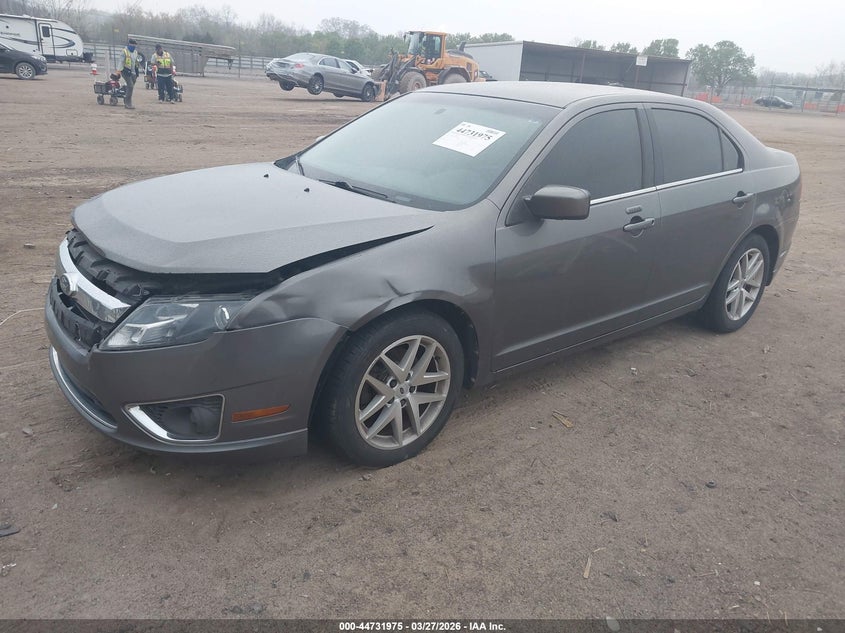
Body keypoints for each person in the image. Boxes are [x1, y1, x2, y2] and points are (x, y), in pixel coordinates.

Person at [117, 38, 141, 109]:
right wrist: (118, 71)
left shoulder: (135, 52)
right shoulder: (124, 51)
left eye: (134, 45)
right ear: (129, 44)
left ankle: (125, 94)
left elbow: (136, 62)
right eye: (132, 45)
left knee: (130, 86)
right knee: (130, 86)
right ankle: (128, 103)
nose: (133, 46)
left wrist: (137, 71)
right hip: (125, 71)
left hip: (133, 72)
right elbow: (121, 62)